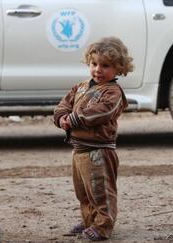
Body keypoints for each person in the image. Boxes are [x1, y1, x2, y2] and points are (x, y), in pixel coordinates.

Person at [53, 36, 134, 241]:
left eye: (105, 65)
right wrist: (61, 117)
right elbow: (64, 103)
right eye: (94, 64)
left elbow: (101, 112)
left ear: (119, 68)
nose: (98, 69)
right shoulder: (80, 87)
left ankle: (103, 226)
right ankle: (90, 220)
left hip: (98, 150)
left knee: (101, 190)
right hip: (79, 149)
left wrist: (73, 119)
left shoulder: (113, 92)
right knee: (84, 192)